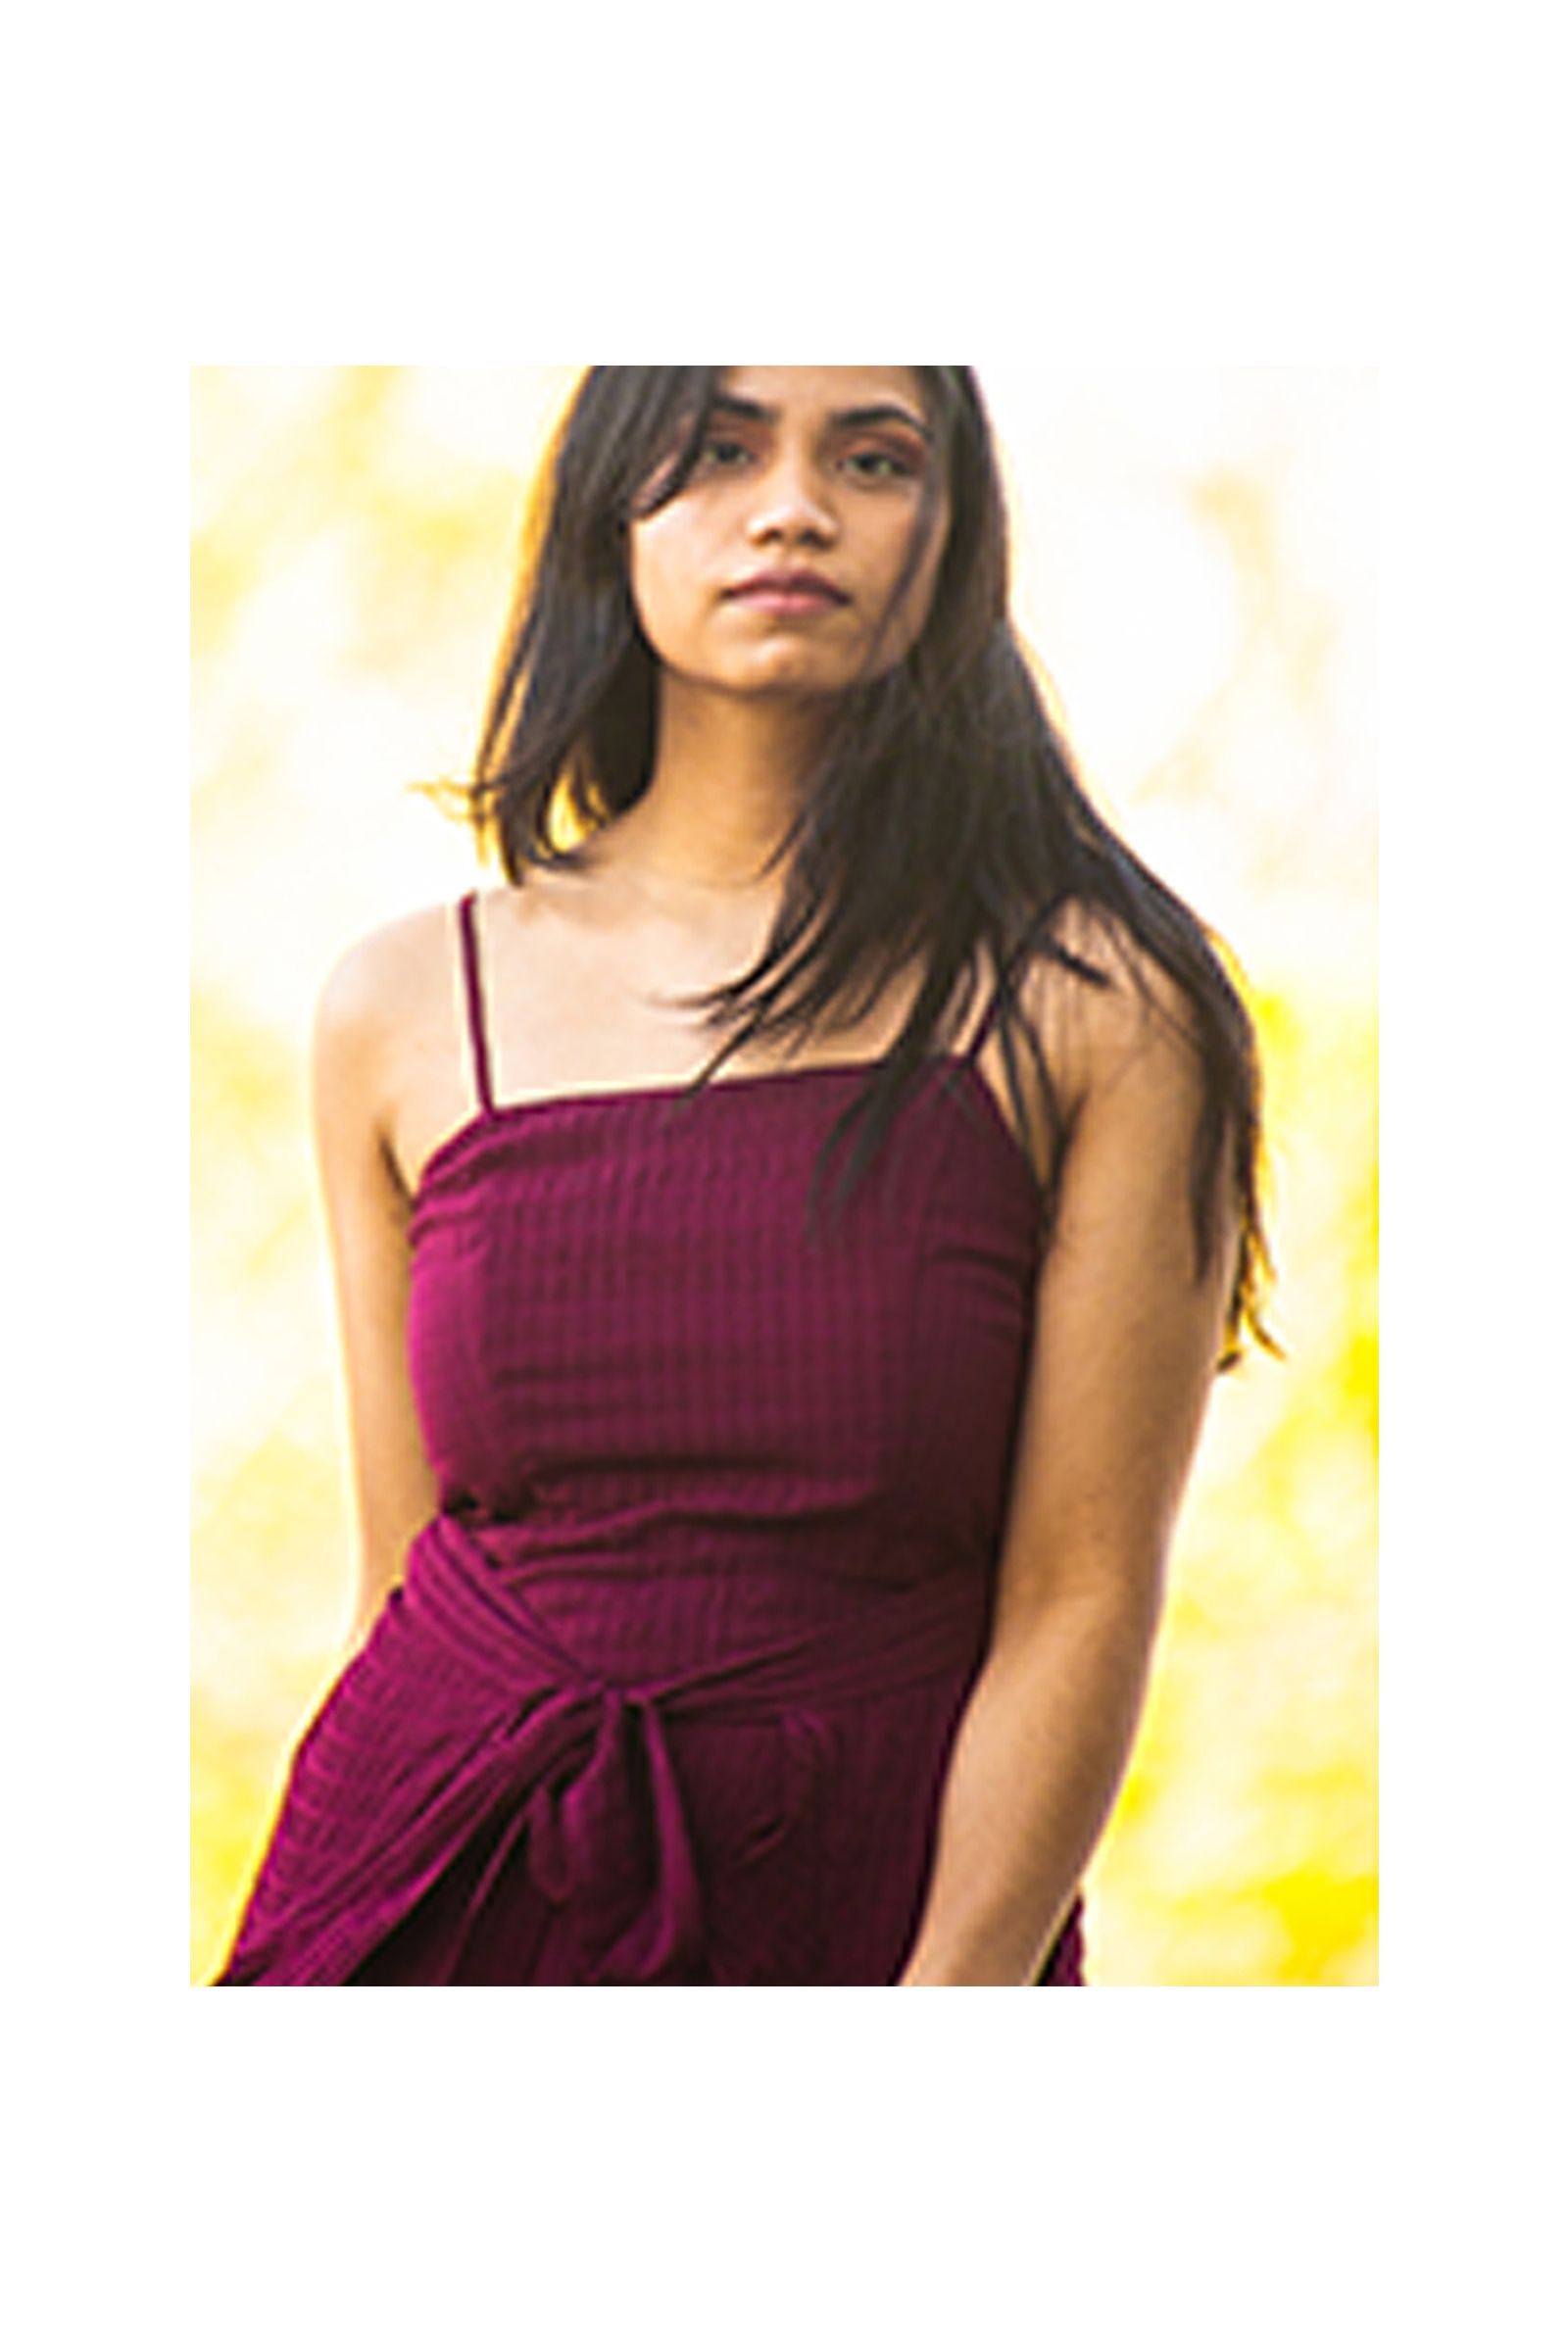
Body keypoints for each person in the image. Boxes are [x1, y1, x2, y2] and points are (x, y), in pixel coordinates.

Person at [216, 366, 1270, 1987]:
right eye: (718, 449)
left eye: (872, 456)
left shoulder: (1095, 1006)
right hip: (425, 1869)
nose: (793, 505)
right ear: (608, 515)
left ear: (950, 533)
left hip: (871, 1898)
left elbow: (1081, 1596)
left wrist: (959, 1992)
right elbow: (398, 1578)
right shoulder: (405, 1003)